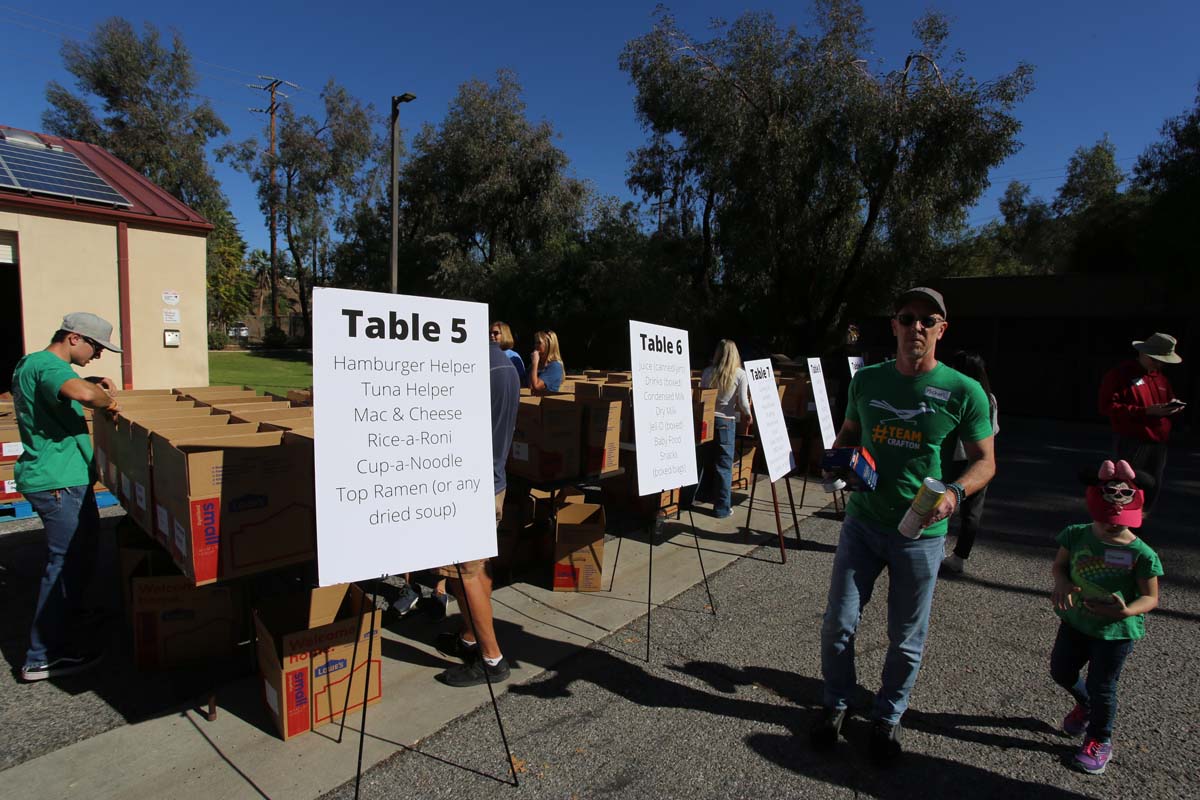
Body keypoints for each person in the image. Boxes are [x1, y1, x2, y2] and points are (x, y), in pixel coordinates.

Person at [811, 287, 996, 762]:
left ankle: (888, 718)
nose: (916, 326)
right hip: (862, 523)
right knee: (838, 624)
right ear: (892, 325)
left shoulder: (964, 390)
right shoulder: (867, 381)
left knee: (906, 638)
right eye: (906, 317)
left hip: (921, 535)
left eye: (926, 320)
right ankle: (837, 702)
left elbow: (985, 462)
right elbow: (850, 433)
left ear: (941, 329)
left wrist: (955, 493)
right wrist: (838, 460)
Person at [12, 312, 123, 682]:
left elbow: (63, 388)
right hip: (57, 482)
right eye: (95, 346)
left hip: (63, 478)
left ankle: (69, 613)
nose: (97, 355)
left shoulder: (35, 363)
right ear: (74, 338)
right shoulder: (48, 366)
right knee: (65, 563)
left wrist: (89, 381)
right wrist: (104, 399)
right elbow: (81, 393)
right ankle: (41, 657)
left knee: (82, 549)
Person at [1050, 459, 1161, 776]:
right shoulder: (1076, 534)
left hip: (1115, 632)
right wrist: (1061, 582)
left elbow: (1150, 597)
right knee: (1061, 671)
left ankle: (1100, 739)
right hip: (1075, 620)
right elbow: (1060, 565)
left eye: (1122, 520)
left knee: (1103, 687)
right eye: (1107, 518)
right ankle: (1084, 705)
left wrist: (1127, 610)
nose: (1114, 524)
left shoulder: (1142, 554)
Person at [433, 336, 520, 687]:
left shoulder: (471, 369)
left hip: (468, 486)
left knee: (462, 573)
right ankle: (470, 636)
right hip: (494, 481)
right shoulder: (506, 364)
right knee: (477, 568)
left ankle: (491, 658)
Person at [1097, 333, 1183, 519]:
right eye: (1155, 359)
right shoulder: (1120, 375)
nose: (1159, 364)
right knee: (1125, 483)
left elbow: (1168, 399)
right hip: (1132, 438)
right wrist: (1145, 411)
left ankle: (1139, 520)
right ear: (1143, 354)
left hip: (1158, 440)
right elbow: (1107, 406)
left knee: (1153, 483)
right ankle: (1118, 521)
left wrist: (1172, 408)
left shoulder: (1161, 379)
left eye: (1162, 361)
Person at [941, 351, 999, 574]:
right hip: (981, 460)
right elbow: (994, 431)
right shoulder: (990, 398)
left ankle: (935, 546)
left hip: (955, 457)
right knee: (972, 511)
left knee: (942, 501)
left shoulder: (958, 394)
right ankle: (959, 557)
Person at [700, 340, 752, 518]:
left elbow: (701, 395)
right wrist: (748, 415)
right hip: (725, 422)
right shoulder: (740, 374)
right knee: (724, 466)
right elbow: (743, 402)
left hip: (706, 420)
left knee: (704, 461)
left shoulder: (707, 372)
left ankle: (697, 496)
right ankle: (722, 507)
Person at [490, 320, 526, 386]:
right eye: (490, 333)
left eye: (495, 333)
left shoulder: (514, 356)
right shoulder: (487, 355)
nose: (492, 335)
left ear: (504, 334)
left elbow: (520, 379)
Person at [528, 330, 564, 394]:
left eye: (539, 343)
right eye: (535, 342)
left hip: (548, 402)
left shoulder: (555, 366)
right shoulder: (536, 366)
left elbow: (536, 386)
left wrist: (535, 362)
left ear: (548, 345)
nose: (535, 345)